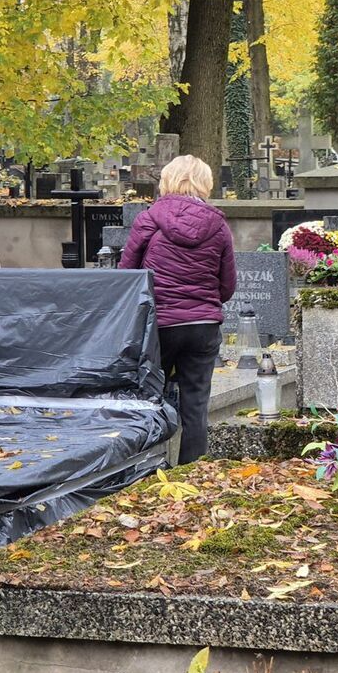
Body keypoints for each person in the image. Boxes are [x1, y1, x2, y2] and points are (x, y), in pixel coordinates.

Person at [120, 155, 235, 463]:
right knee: (196, 404)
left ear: (168, 181)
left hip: (159, 325)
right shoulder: (219, 225)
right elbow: (227, 286)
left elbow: (127, 275)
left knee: (148, 397)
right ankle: (192, 471)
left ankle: (144, 466)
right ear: (205, 183)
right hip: (203, 325)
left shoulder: (149, 219)